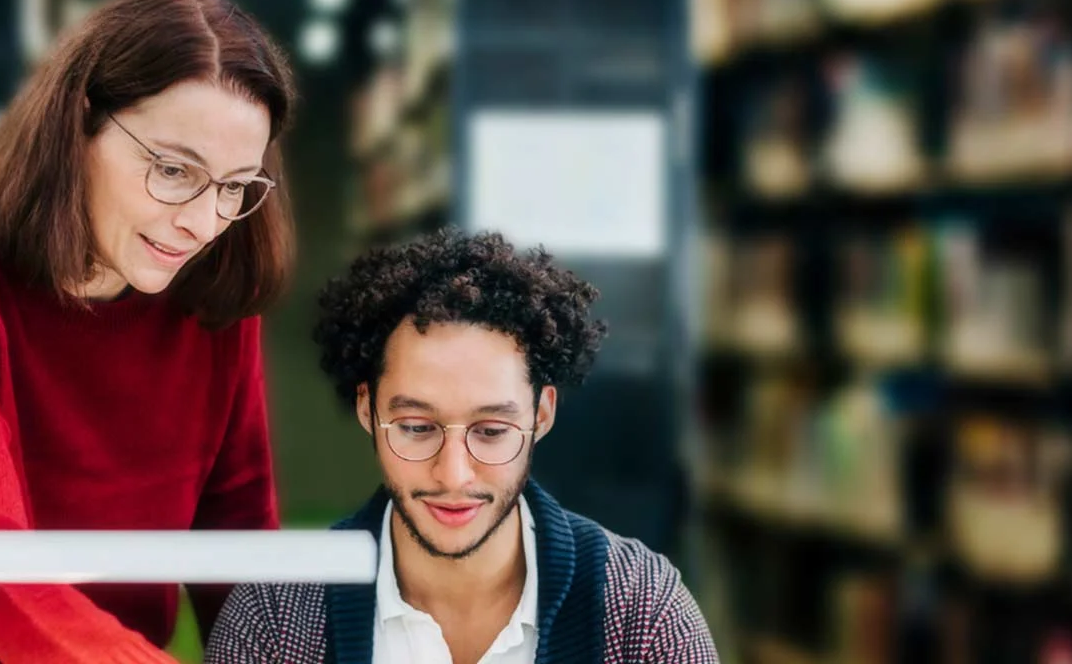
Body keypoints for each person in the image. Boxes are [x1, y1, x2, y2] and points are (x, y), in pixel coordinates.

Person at [0, 0, 299, 661]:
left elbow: (239, 552)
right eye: (172, 170)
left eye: (234, 187)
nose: (201, 221)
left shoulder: (209, 296)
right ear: (80, 122)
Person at [205, 230, 719, 663]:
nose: (453, 476)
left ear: (542, 415)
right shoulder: (274, 616)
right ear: (368, 410)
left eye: (491, 431)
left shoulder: (640, 611)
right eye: (416, 427)